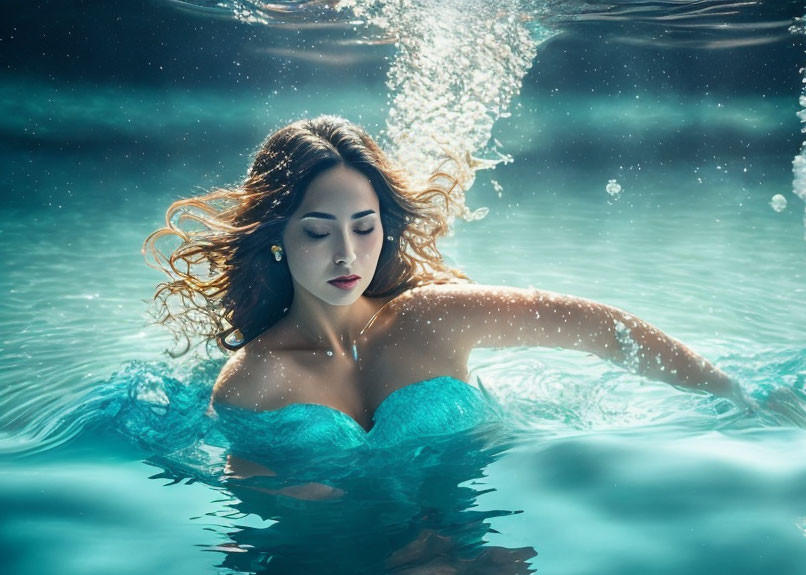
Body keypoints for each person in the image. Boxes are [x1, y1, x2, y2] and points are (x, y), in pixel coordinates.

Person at [144, 115, 747, 436]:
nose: (347, 255)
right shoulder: (253, 380)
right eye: (318, 230)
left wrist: (739, 398)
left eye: (364, 225)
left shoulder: (435, 316)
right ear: (276, 236)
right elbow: (254, 527)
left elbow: (606, 329)